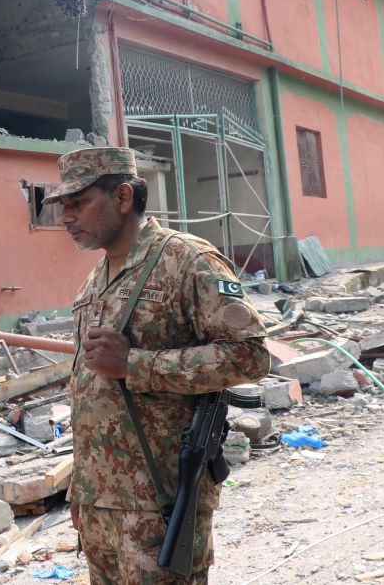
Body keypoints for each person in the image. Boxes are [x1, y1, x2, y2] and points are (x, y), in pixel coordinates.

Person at [43, 147, 270, 584]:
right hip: (102, 504)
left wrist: (136, 363)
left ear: (123, 197)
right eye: (62, 207)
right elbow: (90, 389)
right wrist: (82, 488)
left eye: (78, 204)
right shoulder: (96, 278)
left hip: (160, 498)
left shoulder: (187, 261)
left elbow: (251, 355)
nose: (65, 218)